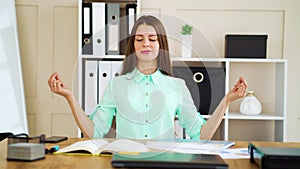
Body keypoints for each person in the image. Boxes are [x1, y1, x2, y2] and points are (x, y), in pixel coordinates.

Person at [48, 15, 247, 140]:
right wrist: (70, 97)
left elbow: (200, 134)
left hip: (166, 163)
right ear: (132, 46)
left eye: (152, 39)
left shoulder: (177, 86)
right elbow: (94, 132)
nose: (146, 44)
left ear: (160, 45)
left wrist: (226, 101)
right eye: (139, 39)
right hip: (125, 161)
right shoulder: (116, 85)